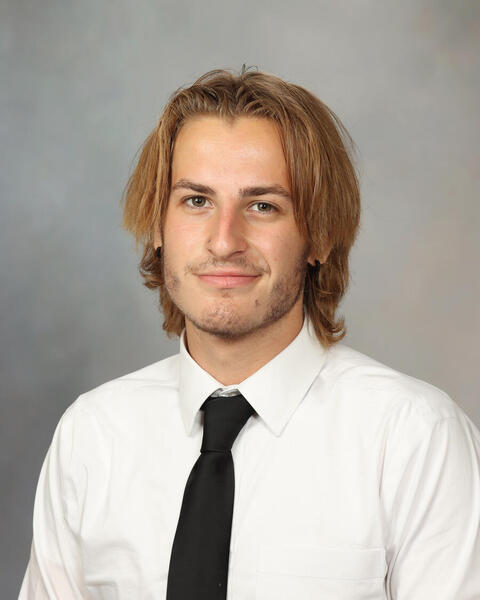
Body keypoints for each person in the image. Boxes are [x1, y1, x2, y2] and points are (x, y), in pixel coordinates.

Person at [19, 66, 480, 600]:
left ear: (319, 236)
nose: (224, 241)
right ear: (158, 227)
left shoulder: (415, 439)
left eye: (263, 206)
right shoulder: (92, 435)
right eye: (197, 201)